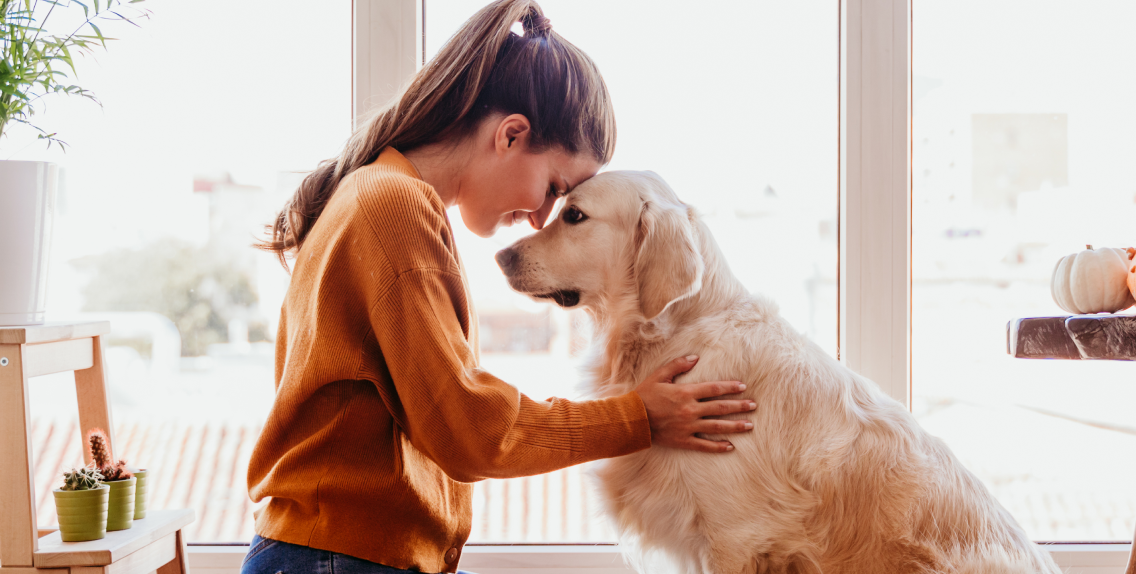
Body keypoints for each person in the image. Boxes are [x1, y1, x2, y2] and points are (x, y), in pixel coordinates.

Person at [241, 1, 756, 573]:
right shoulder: (393, 206)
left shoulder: (382, 196)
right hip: (337, 559)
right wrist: (637, 417)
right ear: (512, 135)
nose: (540, 218)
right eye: (554, 187)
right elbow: (470, 431)